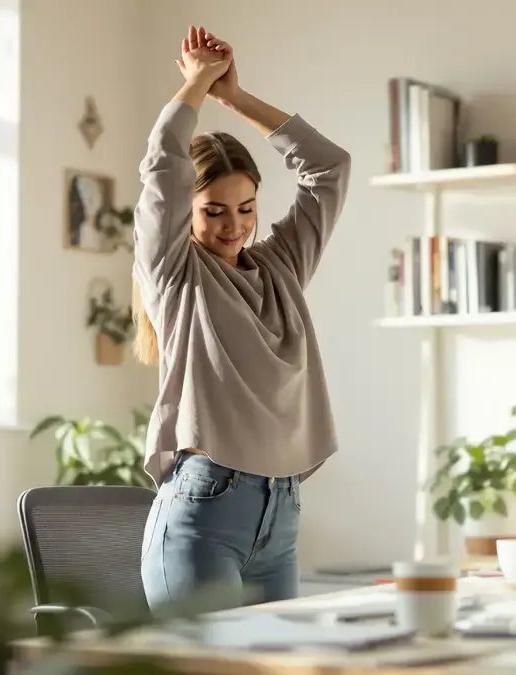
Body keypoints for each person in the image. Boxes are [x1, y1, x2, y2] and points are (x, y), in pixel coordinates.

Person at [132, 25, 351, 612]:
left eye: (247, 208)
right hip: (202, 516)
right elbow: (162, 165)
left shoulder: (280, 268)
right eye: (213, 211)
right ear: (187, 212)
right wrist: (197, 85)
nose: (234, 226)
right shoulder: (175, 272)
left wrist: (237, 97)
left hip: (280, 519)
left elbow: (329, 169)